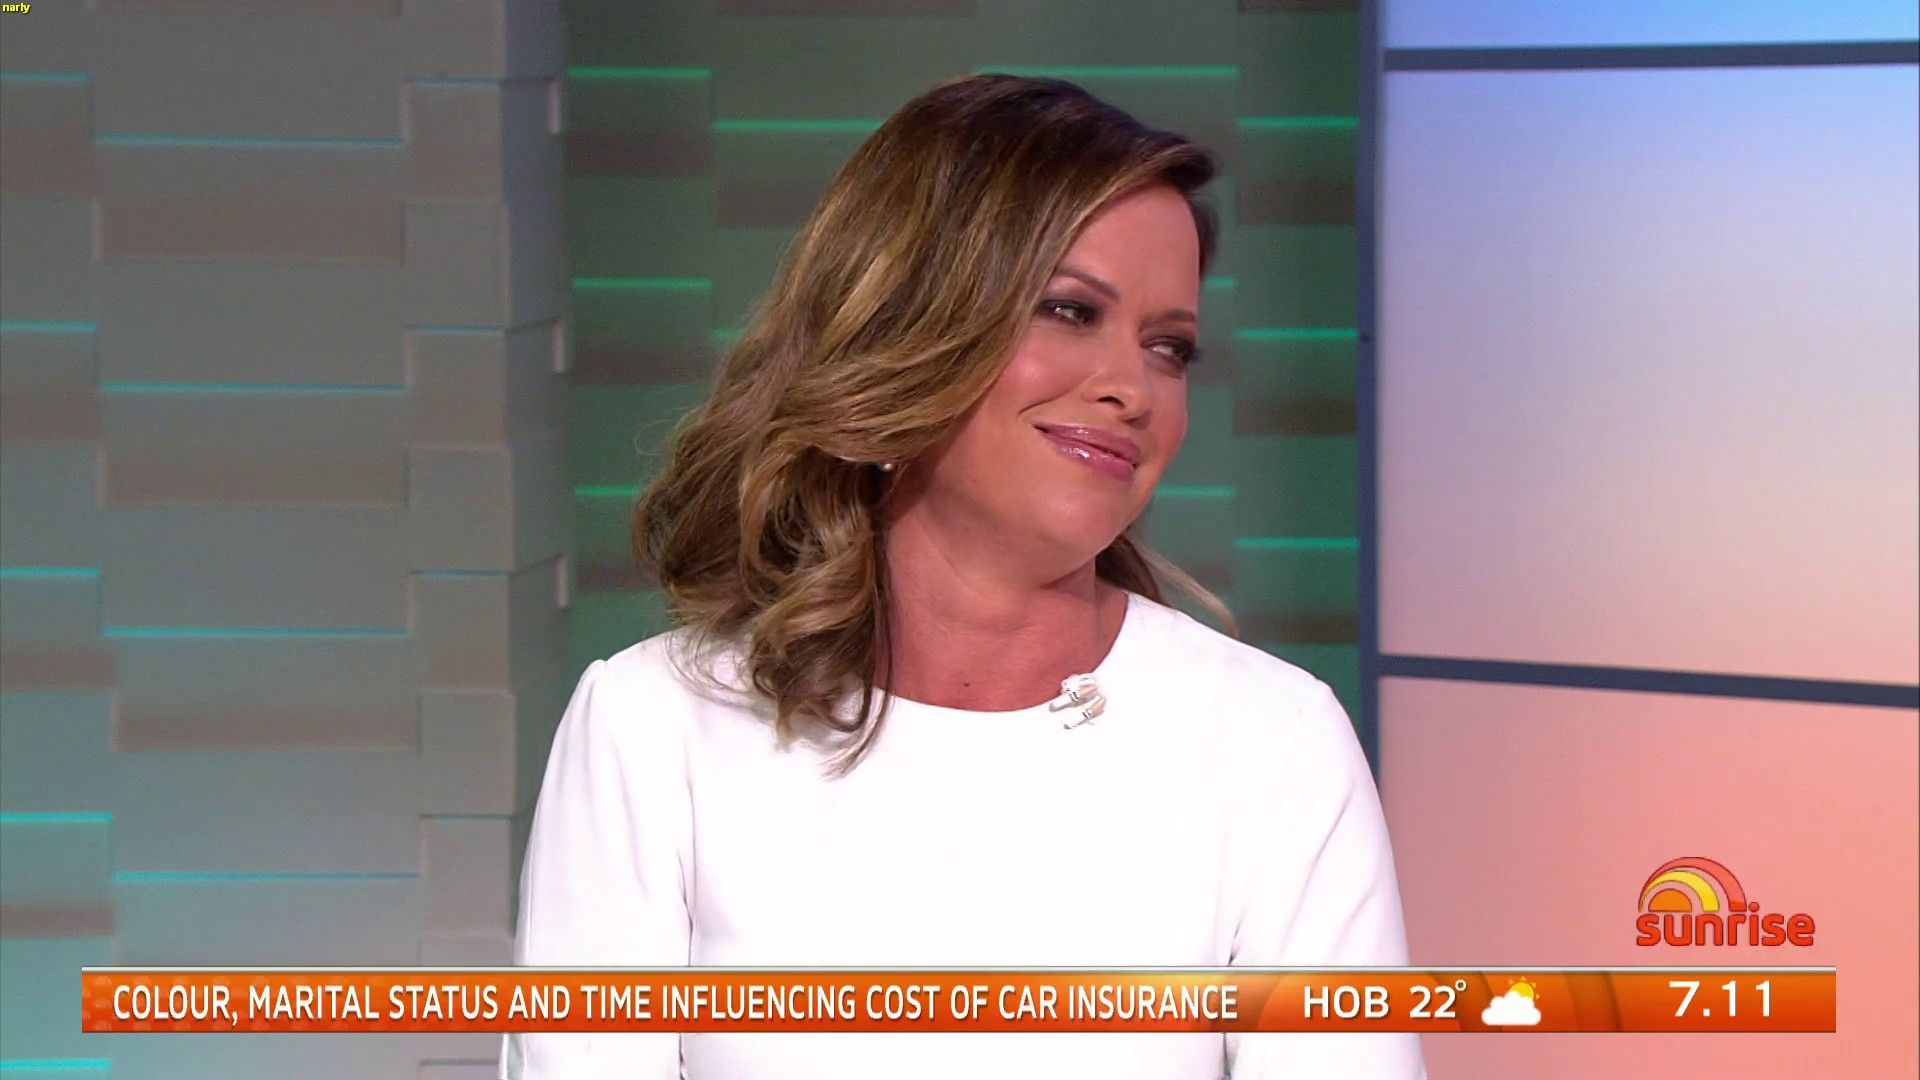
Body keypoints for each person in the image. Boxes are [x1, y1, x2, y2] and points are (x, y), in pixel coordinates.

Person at [501, 72, 1424, 1079]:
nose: (1131, 387)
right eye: (1070, 309)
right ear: (909, 325)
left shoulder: (1272, 745)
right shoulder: (654, 728)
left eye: (1169, 347)